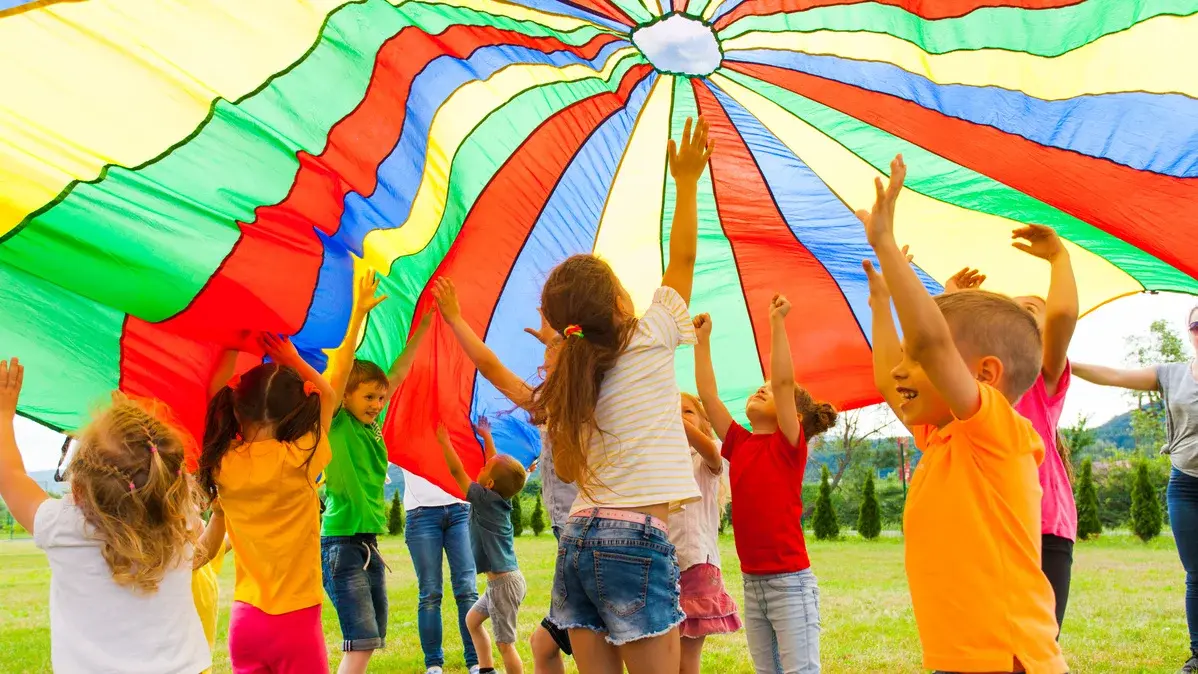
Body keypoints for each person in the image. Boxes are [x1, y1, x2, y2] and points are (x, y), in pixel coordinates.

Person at [863, 155, 1066, 674]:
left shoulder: (997, 433)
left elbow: (931, 344)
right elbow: (891, 376)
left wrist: (888, 249)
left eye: (922, 360)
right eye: (911, 358)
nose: (907, 370)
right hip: (963, 658)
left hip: (1007, 657)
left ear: (985, 375)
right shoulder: (944, 440)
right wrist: (880, 303)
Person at [527, 116, 713, 674]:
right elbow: (681, 261)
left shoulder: (572, 377)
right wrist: (685, 183)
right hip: (634, 540)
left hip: (578, 537)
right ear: (618, 306)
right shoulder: (651, 335)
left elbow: (564, 464)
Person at [0, 358, 211, 673]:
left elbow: (10, 475)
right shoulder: (177, 518)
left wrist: (4, 415)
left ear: (81, 490)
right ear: (170, 479)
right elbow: (151, 473)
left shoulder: (65, 526)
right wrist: (131, 423)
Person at [431, 276, 578, 674]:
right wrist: (553, 337)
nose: (541, 363)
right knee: (562, 640)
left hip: (576, 532)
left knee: (567, 639)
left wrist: (456, 320)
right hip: (573, 531)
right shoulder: (578, 404)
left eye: (550, 354)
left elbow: (491, 367)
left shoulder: (561, 406)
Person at [943, 223, 1081, 633]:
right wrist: (956, 301)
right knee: (982, 640)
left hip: (1041, 527)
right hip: (981, 524)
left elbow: (1061, 314)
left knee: (1035, 641)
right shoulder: (976, 382)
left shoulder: (1042, 376)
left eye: (1030, 309)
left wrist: (1059, 257)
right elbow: (941, 349)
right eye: (1012, 308)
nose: (1020, 312)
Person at [693, 299, 837, 674]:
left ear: (795, 414)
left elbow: (785, 382)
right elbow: (708, 396)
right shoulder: (739, 443)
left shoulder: (788, 445)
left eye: (769, 391)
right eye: (761, 386)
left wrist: (776, 324)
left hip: (790, 584)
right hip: (752, 583)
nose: (761, 388)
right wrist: (702, 341)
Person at [199, 334, 338, 674]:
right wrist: (292, 357)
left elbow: (214, 392)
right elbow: (330, 397)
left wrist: (232, 342)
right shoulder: (300, 458)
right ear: (293, 412)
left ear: (235, 408)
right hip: (297, 620)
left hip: (245, 620)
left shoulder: (223, 462)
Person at [1072, 305, 1198, 674]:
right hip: (1186, 486)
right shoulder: (1171, 375)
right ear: (1190, 332)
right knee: (1196, 573)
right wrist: (1065, 364)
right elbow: (1113, 375)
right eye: (1197, 325)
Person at [321, 272, 431, 674]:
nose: (376, 403)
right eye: (368, 396)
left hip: (366, 544)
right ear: (345, 395)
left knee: (370, 639)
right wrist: (357, 316)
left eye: (380, 398)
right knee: (361, 640)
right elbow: (342, 367)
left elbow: (397, 373)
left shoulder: (372, 427)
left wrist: (422, 328)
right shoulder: (336, 422)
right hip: (341, 543)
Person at [436, 419, 529, 674]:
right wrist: (486, 437)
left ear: (488, 484)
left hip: (503, 584)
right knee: (473, 621)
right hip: (502, 582)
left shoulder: (483, 498)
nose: (483, 464)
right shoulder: (496, 497)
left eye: (485, 467)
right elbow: (495, 465)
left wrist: (445, 443)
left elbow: (457, 472)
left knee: (505, 644)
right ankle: (486, 670)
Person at [672, 393, 741, 674]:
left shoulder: (706, 457)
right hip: (659, 564)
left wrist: (668, 416)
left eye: (687, 412)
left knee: (687, 656)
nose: (678, 416)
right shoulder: (657, 462)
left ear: (703, 423)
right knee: (662, 651)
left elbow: (712, 453)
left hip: (695, 565)